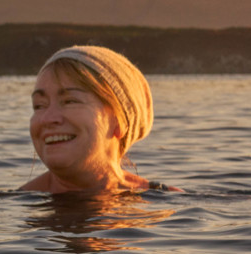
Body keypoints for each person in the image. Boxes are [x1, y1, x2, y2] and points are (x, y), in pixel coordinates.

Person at [21, 45, 169, 194]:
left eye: (69, 101)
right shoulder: (11, 206)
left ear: (119, 121)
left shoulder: (166, 203)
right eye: (39, 106)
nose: (47, 118)